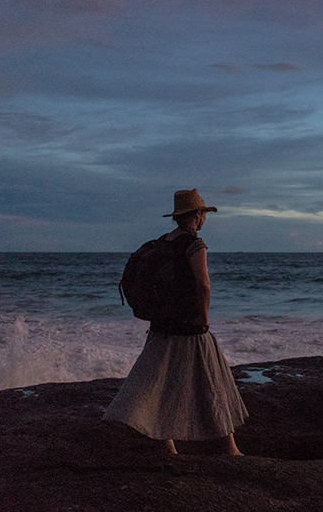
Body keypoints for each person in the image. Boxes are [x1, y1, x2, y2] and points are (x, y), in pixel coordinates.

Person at [103, 188, 248, 455]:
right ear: (197, 215)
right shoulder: (195, 244)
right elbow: (203, 285)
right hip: (189, 325)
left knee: (158, 384)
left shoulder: (163, 242)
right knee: (213, 382)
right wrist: (203, 318)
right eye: (203, 213)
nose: (204, 218)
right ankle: (230, 447)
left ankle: (167, 444)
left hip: (163, 323)